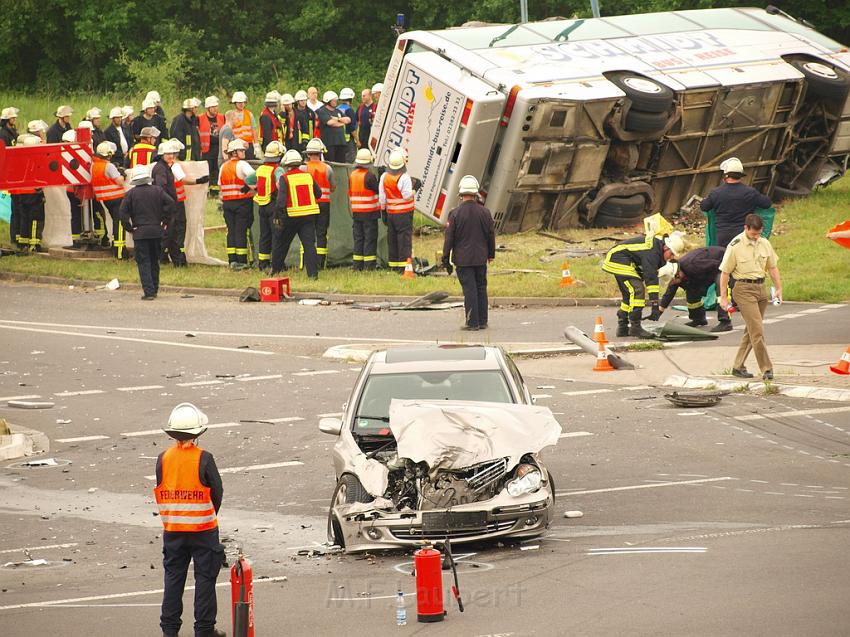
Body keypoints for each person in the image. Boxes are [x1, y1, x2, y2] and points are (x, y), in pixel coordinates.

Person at [154, 402, 225, 637]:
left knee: (173, 579)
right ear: (198, 433)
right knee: (205, 579)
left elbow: (161, 488)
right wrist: (206, 513)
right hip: (203, 530)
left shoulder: (163, 458)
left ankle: (170, 631)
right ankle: (204, 631)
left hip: (173, 530)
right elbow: (217, 492)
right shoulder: (204, 458)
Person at [719, 214, 782, 380]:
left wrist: (778, 288)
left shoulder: (764, 243)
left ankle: (738, 366)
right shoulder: (735, 245)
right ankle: (767, 368)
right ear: (746, 228)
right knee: (758, 331)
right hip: (743, 288)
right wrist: (724, 297)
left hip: (761, 287)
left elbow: (773, 267)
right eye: (754, 233)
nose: (757, 237)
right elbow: (725, 273)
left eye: (759, 233)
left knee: (752, 330)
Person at [602, 232, 684, 338]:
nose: (671, 258)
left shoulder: (656, 249)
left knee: (629, 295)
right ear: (666, 248)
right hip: (618, 259)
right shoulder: (653, 252)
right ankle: (635, 327)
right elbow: (651, 279)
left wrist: (654, 304)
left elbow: (647, 273)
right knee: (638, 290)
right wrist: (655, 305)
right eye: (672, 254)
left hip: (620, 259)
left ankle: (622, 328)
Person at [442, 175, 496, 331]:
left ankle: (472, 322)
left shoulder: (455, 214)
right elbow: (490, 235)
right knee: (481, 287)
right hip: (480, 258)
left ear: (461, 194)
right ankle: (483, 320)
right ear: (475, 193)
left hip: (463, 260)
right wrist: (491, 254)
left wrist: (445, 258)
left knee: (470, 289)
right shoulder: (485, 212)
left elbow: (449, 238)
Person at [119, 166, 175, 300]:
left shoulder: (131, 194)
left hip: (140, 232)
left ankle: (149, 292)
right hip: (156, 231)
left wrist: (130, 228)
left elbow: (122, 213)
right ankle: (155, 289)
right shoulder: (158, 190)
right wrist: (164, 221)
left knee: (144, 262)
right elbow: (171, 203)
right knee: (154, 261)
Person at [271, 149, 322, 279]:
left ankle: (276, 271)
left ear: (287, 164)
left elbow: (281, 201)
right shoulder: (308, 176)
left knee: (282, 243)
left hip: (291, 217)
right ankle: (313, 275)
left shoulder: (285, 178)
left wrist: (277, 216)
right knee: (309, 246)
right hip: (309, 217)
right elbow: (319, 193)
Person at [700, 157, 772, 248]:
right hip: (743, 235)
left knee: (723, 260)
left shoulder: (716, 193)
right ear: (740, 175)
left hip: (722, 236)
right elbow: (767, 203)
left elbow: (704, 206)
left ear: (726, 175)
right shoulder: (750, 193)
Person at [657, 246, 730, 330]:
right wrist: (659, 311)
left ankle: (725, 321)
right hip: (707, 272)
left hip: (721, 263)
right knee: (691, 290)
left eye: (672, 281)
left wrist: (722, 280)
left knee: (721, 288)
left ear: (677, 275)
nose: (672, 284)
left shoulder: (693, 264)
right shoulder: (677, 275)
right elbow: (669, 293)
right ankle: (698, 319)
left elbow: (718, 265)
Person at [247, 141, 285, 272]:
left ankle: (263, 263)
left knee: (264, 235)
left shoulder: (260, 169)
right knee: (276, 235)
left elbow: (249, 181)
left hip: (261, 206)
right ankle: (276, 263)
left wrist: (257, 188)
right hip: (273, 205)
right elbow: (281, 183)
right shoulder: (277, 169)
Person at [218, 138, 256, 269]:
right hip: (242, 202)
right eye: (241, 150)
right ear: (234, 152)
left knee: (231, 231)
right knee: (241, 231)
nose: (244, 152)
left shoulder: (223, 166)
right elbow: (255, 176)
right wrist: (249, 186)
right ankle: (242, 261)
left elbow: (220, 186)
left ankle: (232, 260)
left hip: (227, 203)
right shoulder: (242, 164)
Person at [379, 149, 417, 272]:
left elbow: (382, 197)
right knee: (404, 240)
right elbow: (406, 195)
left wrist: (383, 211)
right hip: (404, 214)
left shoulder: (384, 176)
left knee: (393, 239)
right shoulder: (404, 177)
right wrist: (415, 189)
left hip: (391, 214)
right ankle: (403, 267)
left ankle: (393, 265)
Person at [8, 134, 45, 251]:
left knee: (24, 217)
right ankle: (34, 244)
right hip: (33, 193)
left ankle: (22, 243)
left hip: (22, 193)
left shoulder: (20, 158)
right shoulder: (35, 160)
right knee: (35, 218)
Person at [92, 141, 128, 258]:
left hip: (105, 199)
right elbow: (120, 181)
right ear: (109, 154)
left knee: (115, 223)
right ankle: (120, 252)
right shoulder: (109, 166)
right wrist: (122, 174)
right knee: (119, 224)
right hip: (116, 198)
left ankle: (117, 248)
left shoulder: (94, 165)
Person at [304, 138, 335, 267]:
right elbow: (333, 187)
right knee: (321, 232)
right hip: (323, 204)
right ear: (320, 152)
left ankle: (306, 262)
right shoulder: (327, 168)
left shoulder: (303, 168)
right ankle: (320, 263)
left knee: (308, 232)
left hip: (308, 204)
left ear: (308, 153)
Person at [348, 148, 380, 270]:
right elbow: (378, 190)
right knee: (370, 239)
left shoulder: (352, 175)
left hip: (356, 214)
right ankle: (369, 266)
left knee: (359, 239)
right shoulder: (369, 176)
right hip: (369, 214)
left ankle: (357, 265)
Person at [199, 96, 225, 194]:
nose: (215, 109)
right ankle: (206, 191)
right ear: (208, 108)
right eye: (213, 107)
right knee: (207, 171)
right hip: (206, 150)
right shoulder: (200, 118)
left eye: (216, 106)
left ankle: (214, 192)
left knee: (216, 171)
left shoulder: (222, 117)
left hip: (218, 149)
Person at [316, 91, 350, 164]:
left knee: (341, 165)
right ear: (328, 101)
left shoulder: (338, 111)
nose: (336, 102)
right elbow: (330, 123)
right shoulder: (322, 111)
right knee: (330, 164)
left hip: (341, 143)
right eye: (334, 101)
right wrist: (341, 122)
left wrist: (337, 119)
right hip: (329, 144)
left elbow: (348, 120)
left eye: (336, 100)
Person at [228, 91, 258, 160]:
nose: (241, 104)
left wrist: (256, 146)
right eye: (239, 102)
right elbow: (229, 131)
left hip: (249, 145)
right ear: (235, 103)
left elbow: (254, 130)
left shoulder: (249, 114)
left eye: (243, 102)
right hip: (236, 146)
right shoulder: (231, 115)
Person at [337, 87, 358, 163]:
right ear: (351, 99)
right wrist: (357, 140)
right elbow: (352, 128)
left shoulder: (337, 108)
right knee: (350, 161)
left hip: (339, 139)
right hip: (349, 141)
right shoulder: (349, 110)